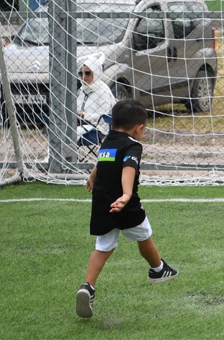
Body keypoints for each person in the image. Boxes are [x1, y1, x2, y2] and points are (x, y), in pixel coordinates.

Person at [76, 99, 178, 319]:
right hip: (124, 203)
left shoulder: (107, 140)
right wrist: (126, 194)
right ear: (139, 128)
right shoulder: (133, 145)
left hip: (102, 202)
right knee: (145, 236)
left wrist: (92, 177)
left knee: (103, 247)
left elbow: (100, 163)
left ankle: (88, 286)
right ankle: (158, 269)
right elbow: (128, 168)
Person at [75, 55, 116, 147]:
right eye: (81, 74)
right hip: (80, 124)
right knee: (60, 129)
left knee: (72, 132)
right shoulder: (82, 89)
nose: (84, 77)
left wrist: (85, 115)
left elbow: (104, 115)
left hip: (97, 130)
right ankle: (55, 157)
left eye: (88, 73)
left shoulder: (103, 90)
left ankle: (61, 157)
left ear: (95, 73)